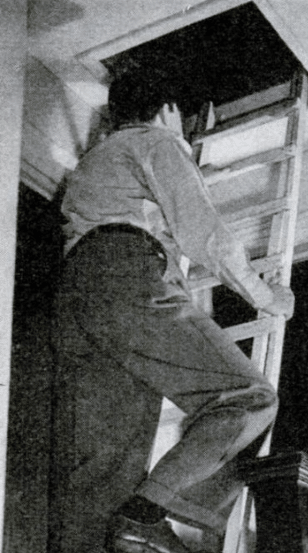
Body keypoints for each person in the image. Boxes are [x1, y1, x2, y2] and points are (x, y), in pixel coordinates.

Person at [50, 72, 294, 553]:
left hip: (77, 293)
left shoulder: (94, 164)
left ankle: (134, 516)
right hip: (124, 275)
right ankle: (146, 513)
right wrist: (267, 297)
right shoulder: (155, 141)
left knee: (105, 471)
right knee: (249, 395)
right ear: (167, 109)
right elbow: (203, 232)